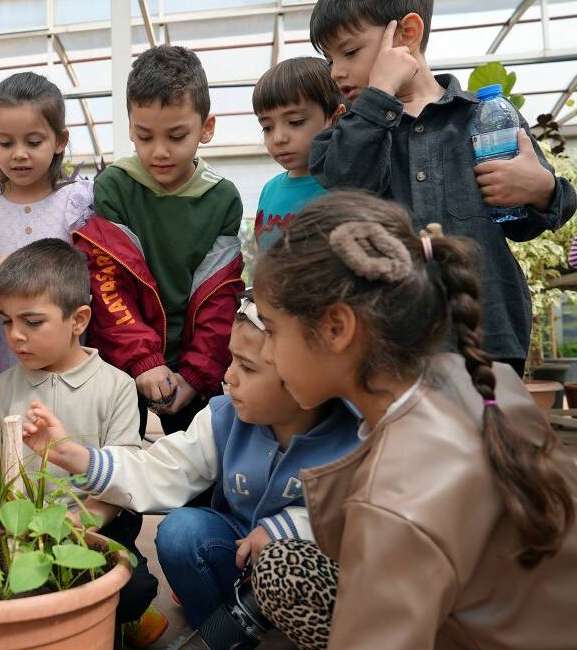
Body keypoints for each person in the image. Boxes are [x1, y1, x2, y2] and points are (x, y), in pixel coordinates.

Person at [249, 191, 577, 650]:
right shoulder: (486, 381)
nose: (265, 353)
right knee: (285, 565)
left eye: (270, 329)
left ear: (337, 328)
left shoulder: (395, 499)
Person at [20, 291, 360, 631]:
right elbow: (161, 470)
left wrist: (286, 530)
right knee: (181, 532)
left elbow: (355, 519)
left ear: (303, 376)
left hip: (315, 570)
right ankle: (218, 631)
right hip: (239, 549)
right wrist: (76, 457)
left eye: (248, 367)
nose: (228, 376)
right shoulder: (224, 418)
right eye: (231, 360)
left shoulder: (357, 436)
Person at [308, 0, 576, 376]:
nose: (336, 72)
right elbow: (347, 182)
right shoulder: (343, 137)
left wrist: (542, 188)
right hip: (392, 339)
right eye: (329, 60)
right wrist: (381, 90)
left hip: (489, 334)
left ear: (408, 34)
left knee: (487, 432)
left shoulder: (484, 117)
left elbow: (526, 223)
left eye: (350, 52)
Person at [0, 238, 164, 647]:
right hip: (15, 529)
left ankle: (116, 624)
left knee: (133, 590)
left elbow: (123, 478)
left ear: (78, 320)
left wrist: (79, 525)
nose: (15, 336)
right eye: (6, 321)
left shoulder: (117, 387)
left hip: (90, 527)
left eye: (32, 322)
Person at [73, 45, 243, 437]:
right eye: (145, 136)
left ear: (208, 128)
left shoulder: (222, 199)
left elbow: (221, 297)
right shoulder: (115, 187)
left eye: (177, 135)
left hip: (192, 363)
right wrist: (143, 360)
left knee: (200, 466)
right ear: (130, 127)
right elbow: (107, 283)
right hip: (121, 358)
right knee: (110, 465)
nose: (160, 152)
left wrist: (198, 375)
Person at [0, 72, 94, 372]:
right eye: (6, 142)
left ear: (60, 141)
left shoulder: (74, 203)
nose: (19, 154)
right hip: (1, 346)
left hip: (61, 348)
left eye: (34, 141)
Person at [253, 57, 344, 252]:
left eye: (295, 122)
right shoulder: (269, 190)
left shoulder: (346, 188)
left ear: (335, 119)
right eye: (267, 127)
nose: (278, 138)